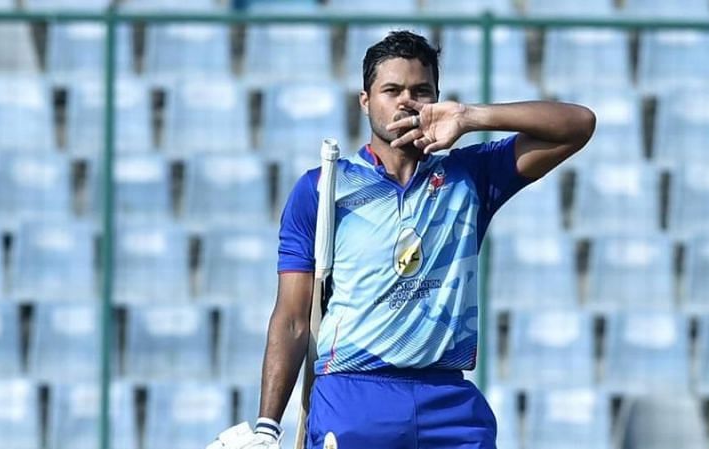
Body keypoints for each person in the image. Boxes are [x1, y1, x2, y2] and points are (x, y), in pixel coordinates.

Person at [209, 30, 595, 449]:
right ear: (365, 100)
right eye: (391, 90)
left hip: (449, 402)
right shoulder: (322, 189)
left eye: (421, 90)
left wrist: (469, 117)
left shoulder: (472, 177)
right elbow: (292, 317)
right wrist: (268, 426)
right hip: (354, 397)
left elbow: (577, 125)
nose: (406, 101)